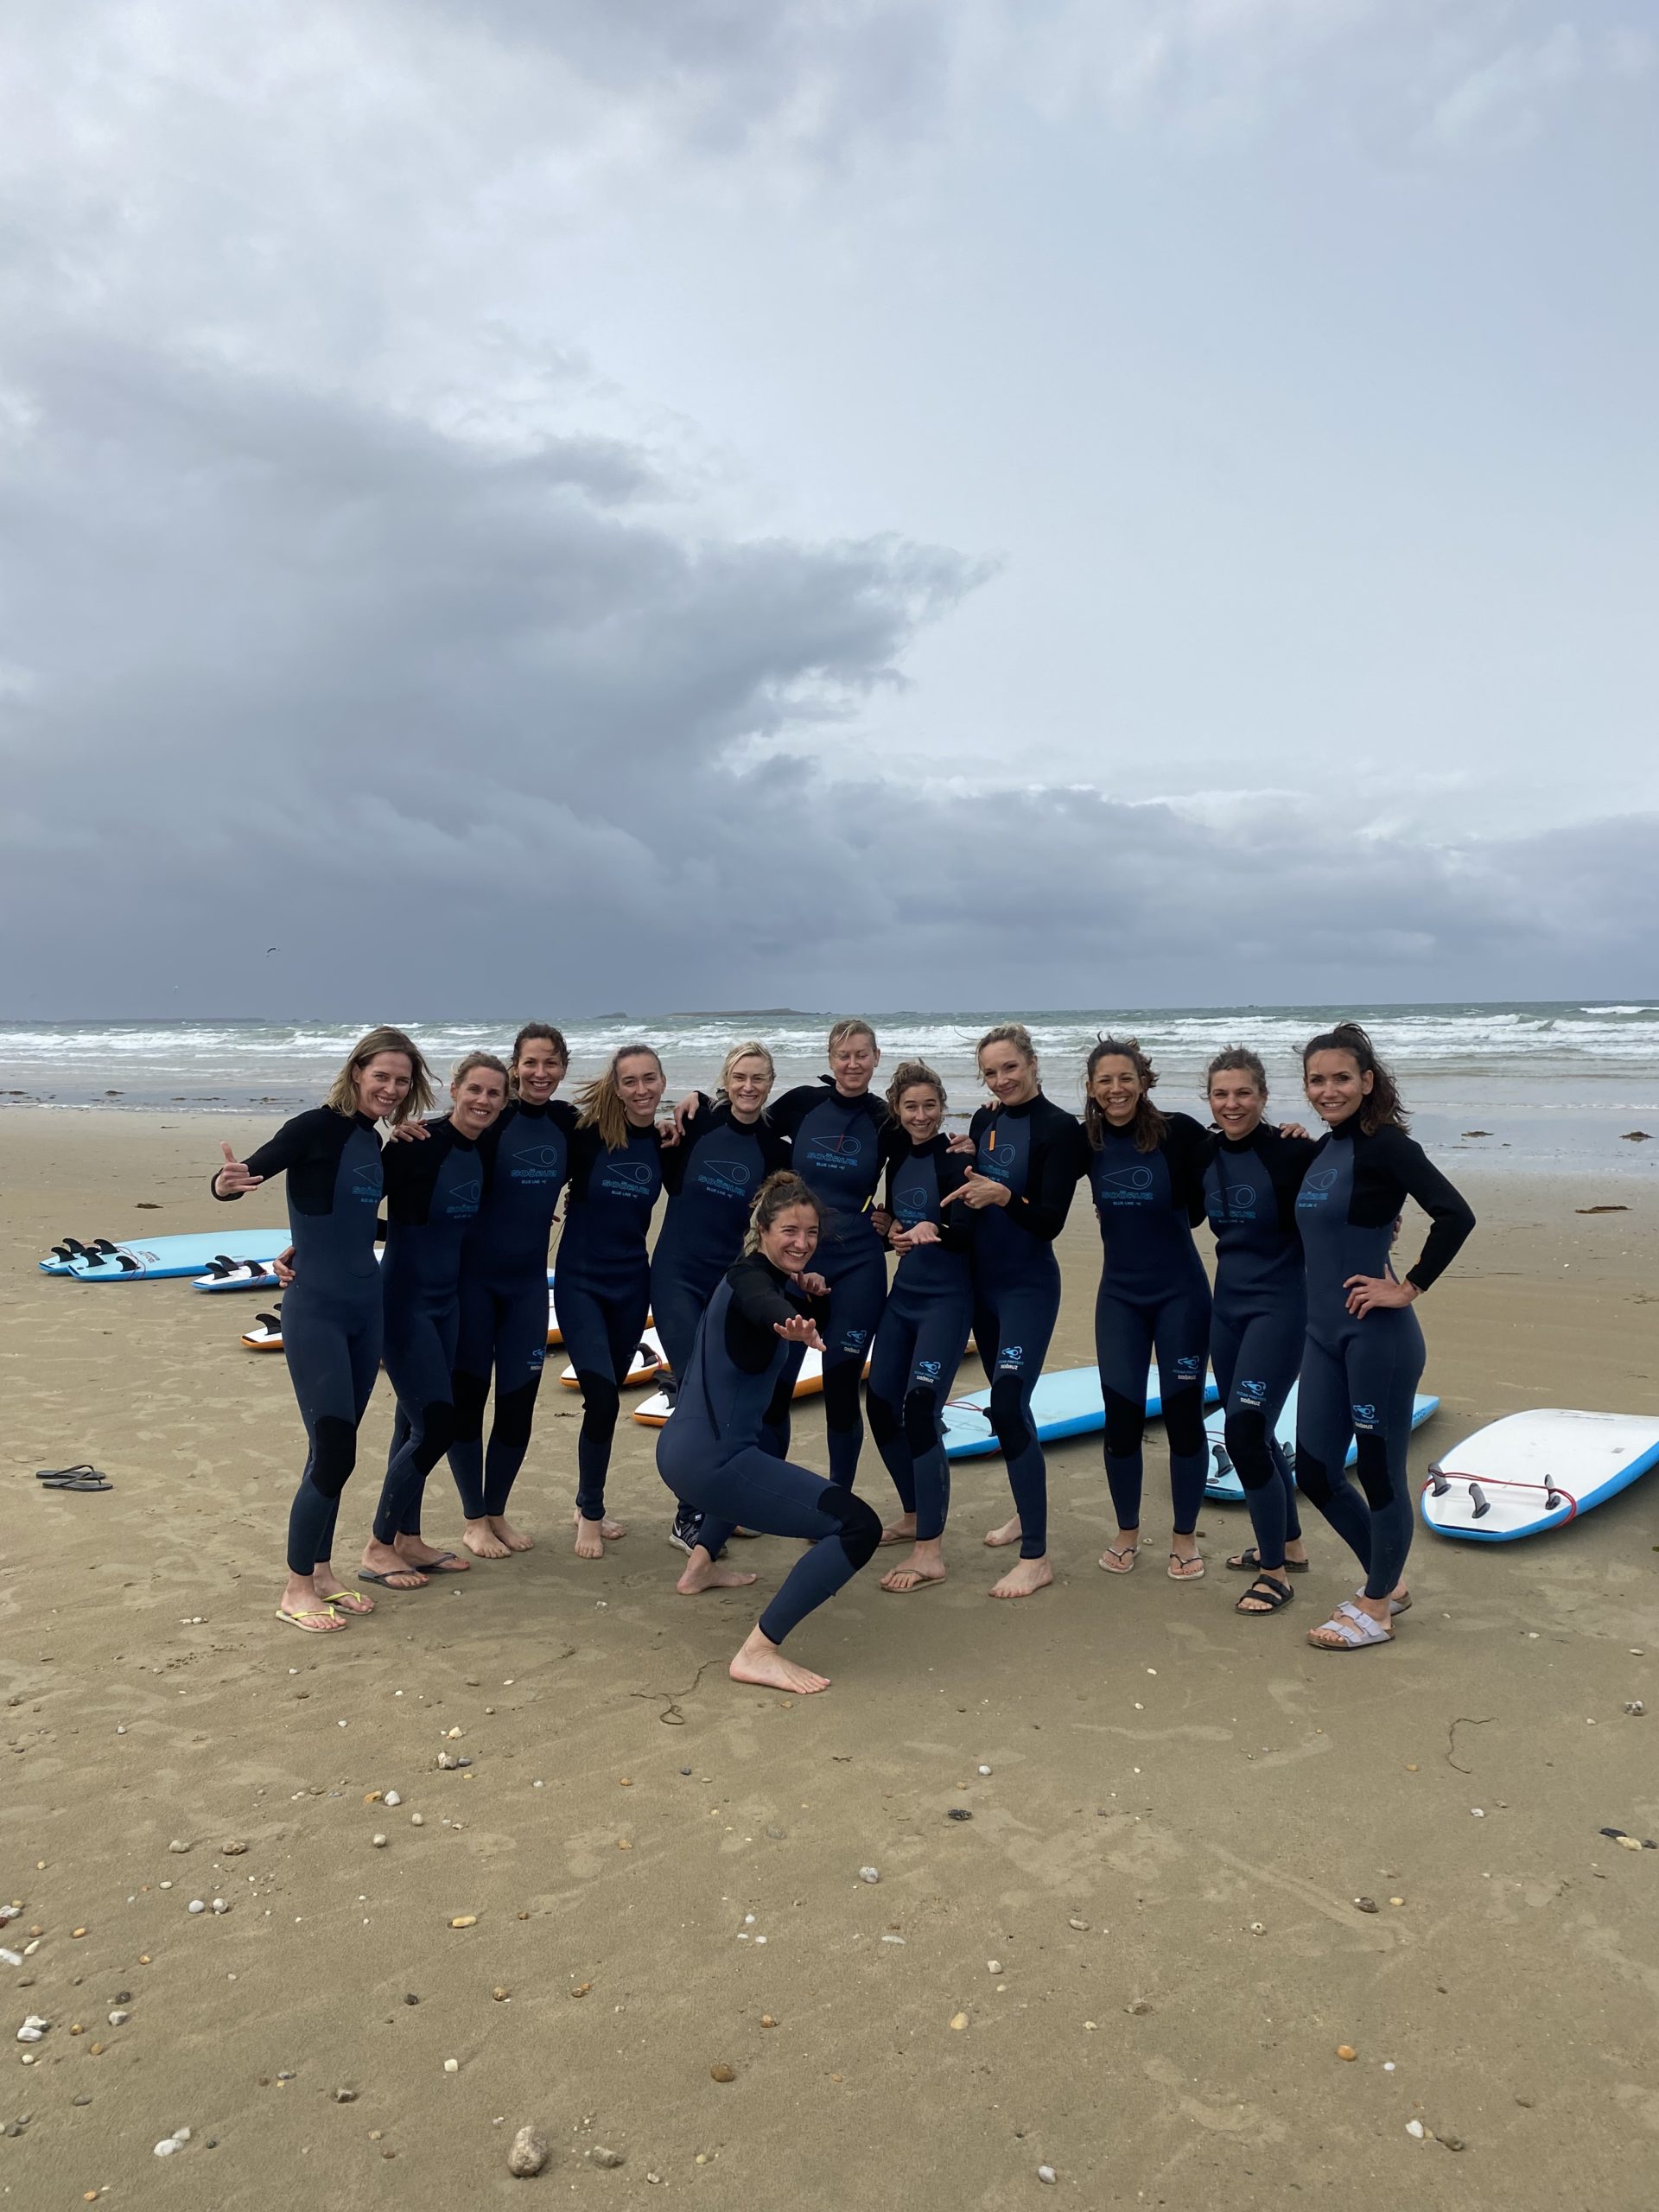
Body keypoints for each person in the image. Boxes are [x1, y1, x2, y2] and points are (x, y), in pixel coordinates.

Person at [210, 1025, 434, 1632]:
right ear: (357, 1072)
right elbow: (252, 1170)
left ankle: (322, 1573)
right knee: (333, 1449)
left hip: (366, 1310)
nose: (391, 1088)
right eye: (381, 1076)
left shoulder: (373, 1143)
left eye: (402, 1080)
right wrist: (226, 1184)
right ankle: (295, 1589)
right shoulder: (313, 1127)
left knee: (337, 1451)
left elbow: (355, 1222)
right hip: (317, 1313)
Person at [657, 1172, 882, 1694]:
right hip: (712, 1464)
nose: (802, 1243)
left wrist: (807, 1297)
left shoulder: (752, 1274)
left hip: (683, 1449)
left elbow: (767, 1295)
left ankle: (699, 1566)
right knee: (858, 1527)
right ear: (761, 1229)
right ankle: (758, 1652)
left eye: (810, 1232)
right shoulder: (752, 1284)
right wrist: (790, 1318)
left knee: (765, 1450)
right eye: (789, 1231)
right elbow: (761, 1302)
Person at [1295, 1022, 1475, 1651]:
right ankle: (1388, 1579)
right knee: (1316, 1470)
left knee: (1379, 1473)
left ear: (1367, 1082)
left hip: (1379, 1339)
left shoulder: (1389, 1145)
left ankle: (1376, 1607)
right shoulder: (1324, 1149)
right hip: (1322, 1334)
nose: (1329, 1090)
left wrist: (1409, 1286)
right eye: (1317, 1080)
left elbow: (1456, 1214)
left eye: (1342, 1078)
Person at [944, 1022, 1085, 1599]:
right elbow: (975, 1187)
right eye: (990, 1073)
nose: (1001, 1080)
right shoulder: (986, 1122)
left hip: (1028, 1286)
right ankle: (1027, 1513)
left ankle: (1037, 1558)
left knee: (1004, 1401)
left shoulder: (1060, 1129)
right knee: (1011, 1409)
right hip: (984, 1285)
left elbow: (1049, 1220)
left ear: (1031, 1063)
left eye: (1010, 1068)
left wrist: (1004, 1196)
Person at [362, 1053, 507, 1587]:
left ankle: (408, 1538)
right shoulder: (416, 1144)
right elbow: (356, 1206)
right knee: (436, 1426)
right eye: (475, 1090)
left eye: (494, 1094)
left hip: (448, 1304)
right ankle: (378, 1547)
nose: (483, 1101)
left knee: (411, 1423)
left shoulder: (483, 1148)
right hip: (405, 1303)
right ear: (455, 1089)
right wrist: (304, 1249)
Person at [652, 1041, 790, 1553]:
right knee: (696, 1390)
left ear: (770, 1083)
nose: (749, 1087)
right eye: (740, 1077)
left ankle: (727, 1501)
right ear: (726, 1081)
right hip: (676, 1277)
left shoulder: (775, 1149)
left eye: (758, 1078)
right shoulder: (697, 1123)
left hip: (729, 1285)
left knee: (731, 1394)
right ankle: (688, 1516)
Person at [1085, 1038, 1213, 1584]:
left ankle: (1185, 1537)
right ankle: (1127, 1532)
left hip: (1181, 1296)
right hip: (1120, 1299)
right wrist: (986, 1122)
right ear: (1091, 1088)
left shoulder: (1180, 1132)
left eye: (1126, 1078)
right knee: (1121, 1418)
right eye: (1105, 1080)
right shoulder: (1085, 1140)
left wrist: (1294, 1136)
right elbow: (1034, 1152)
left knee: (1184, 1416)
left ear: (1143, 1081)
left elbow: (1244, 1150)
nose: (1116, 1089)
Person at [447, 1024, 576, 1558]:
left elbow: (625, 1129)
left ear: (563, 1068)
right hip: (474, 1284)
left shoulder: (569, 1123)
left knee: (518, 1403)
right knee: (468, 1402)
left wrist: (685, 1108)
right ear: (515, 1066)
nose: (540, 1073)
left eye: (550, 1063)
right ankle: (473, 1518)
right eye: (530, 1063)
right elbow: (441, 1147)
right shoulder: (491, 1119)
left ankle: (496, 1509)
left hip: (526, 1287)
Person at [1199, 1048, 1319, 1616]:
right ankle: (1289, 1546)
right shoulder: (1203, 1152)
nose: (1232, 1104)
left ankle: (1275, 1574)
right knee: (1254, 1427)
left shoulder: (1294, 1151)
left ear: (1264, 1097)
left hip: (1280, 1309)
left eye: (1243, 1093)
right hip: (1227, 1309)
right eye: (1221, 1094)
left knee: (1244, 1431)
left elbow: (1355, 1184)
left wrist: (1388, 1225)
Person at [765, 1020, 903, 1487]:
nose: (853, 1064)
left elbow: (919, 1167)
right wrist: (698, 1102)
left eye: (862, 1055)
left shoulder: (887, 1119)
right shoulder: (802, 1104)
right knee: (776, 1387)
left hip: (857, 1266)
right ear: (830, 1059)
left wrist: (891, 1222)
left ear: (876, 1058)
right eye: (844, 1055)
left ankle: (839, 1498)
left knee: (841, 1388)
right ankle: (767, 1492)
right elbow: (743, 1124)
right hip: (796, 1259)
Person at [866, 1061, 974, 1592]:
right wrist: (890, 1229)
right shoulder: (897, 1156)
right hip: (904, 1296)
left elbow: (968, 1231)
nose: (921, 1115)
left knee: (921, 1411)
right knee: (880, 1404)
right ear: (897, 1109)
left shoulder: (958, 1158)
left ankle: (930, 1550)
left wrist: (939, 1227)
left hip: (947, 1301)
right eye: (911, 1106)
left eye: (930, 1105)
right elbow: (904, 1227)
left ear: (943, 1107)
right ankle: (912, 1514)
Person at [559, 1043, 667, 1558]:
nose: (641, 1090)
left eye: (650, 1079)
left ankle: (586, 1504)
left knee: (608, 1400)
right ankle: (591, 1513)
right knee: (601, 1399)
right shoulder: (586, 1136)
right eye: (630, 1081)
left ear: (662, 1082)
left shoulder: (669, 1143)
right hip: (580, 1283)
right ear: (616, 1087)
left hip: (631, 1286)